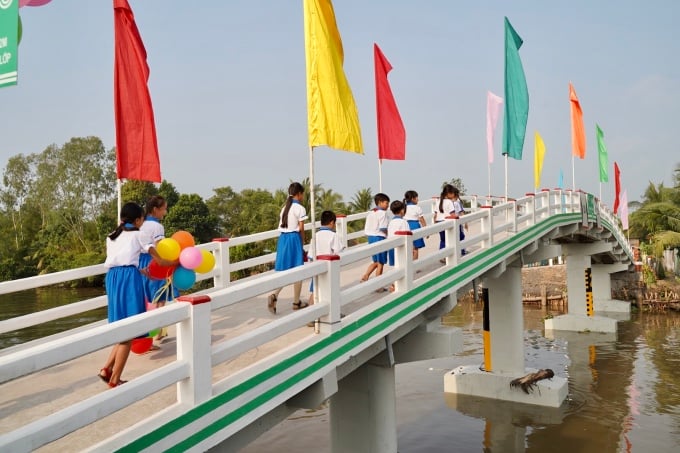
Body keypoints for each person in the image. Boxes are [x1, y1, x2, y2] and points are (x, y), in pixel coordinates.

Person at [98, 202, 175, 388]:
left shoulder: (111, 236)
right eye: (141, 220)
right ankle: (115, 379)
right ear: (139, 219)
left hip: (113, 279)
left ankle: (106, 369)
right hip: (128, 279)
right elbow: (159, 260)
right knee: (130, 329)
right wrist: (176, 261)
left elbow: (120, 261)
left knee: (121, 324)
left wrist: (140, 271)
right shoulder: (139, 234)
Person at [267, 182, 309, 314]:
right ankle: (296, 302)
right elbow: (301, 228)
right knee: (298, 270)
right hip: (293, 238)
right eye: (302, 194)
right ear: (298, 194)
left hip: (283, 239)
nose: (303, 196)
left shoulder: (284, 208)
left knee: (286, 271)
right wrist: (302, 242)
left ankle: (275, 294)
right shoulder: (300, 209)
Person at [139, 195, 175, 343]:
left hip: (140, 263)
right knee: (159, 297)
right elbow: (160, 247)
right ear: (155, 209)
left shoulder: (140, 224)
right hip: (153, 261)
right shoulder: (157, 226)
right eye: (164, 209)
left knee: (145, 298)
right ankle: (158, 332)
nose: (165, 213)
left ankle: (147, 333)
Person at [307, 210, 344, 306]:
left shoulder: (315, 236)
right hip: (330, 268)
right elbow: (338, 251)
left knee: (315, 291)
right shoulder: (333, 235)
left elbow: (310, 255)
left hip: (316, 267)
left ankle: (311, 313)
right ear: (332, 222)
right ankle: (333, 313)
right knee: (331, 291)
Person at [360, 193, 390, 282]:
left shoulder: (371, 212)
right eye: (386, 203)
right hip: (379, 238)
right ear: (380, 202)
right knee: (381, 263)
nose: (387, 205)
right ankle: (378, 284)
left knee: (376, 261)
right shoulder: (382, 213)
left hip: (371, 238)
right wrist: (389, 235)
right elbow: (383, 228)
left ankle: (366, 275)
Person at [403, 190, 427, 260]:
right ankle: (414, 265)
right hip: (415, 226)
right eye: (417, 198)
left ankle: (409, 264)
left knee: (408, 247)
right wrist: (425, 230)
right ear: (413, 199)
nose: (418, 199)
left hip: (405, 226)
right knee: (415, 248)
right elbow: (422, 219)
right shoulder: (417, 208)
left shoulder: (403, 207)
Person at [435, 184, 457, 250]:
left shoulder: (438, 201)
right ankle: (447, 256)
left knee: (443, 240)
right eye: (453, 193)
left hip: (439, 222)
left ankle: (441, 255)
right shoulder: (449, 202)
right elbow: (453, 214)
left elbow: (435, 215)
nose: (454, 195)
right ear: (448, 193)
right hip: (447, 222)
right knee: (449, 239)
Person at [451, 186, 468, 255]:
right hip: (458, 222)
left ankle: (454, 252)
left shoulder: (449, 202)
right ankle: (462, 250)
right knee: (461, 236)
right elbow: (462, 213)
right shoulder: (457, 203)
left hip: (450, 223)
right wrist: (465, 222)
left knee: (453, 237)